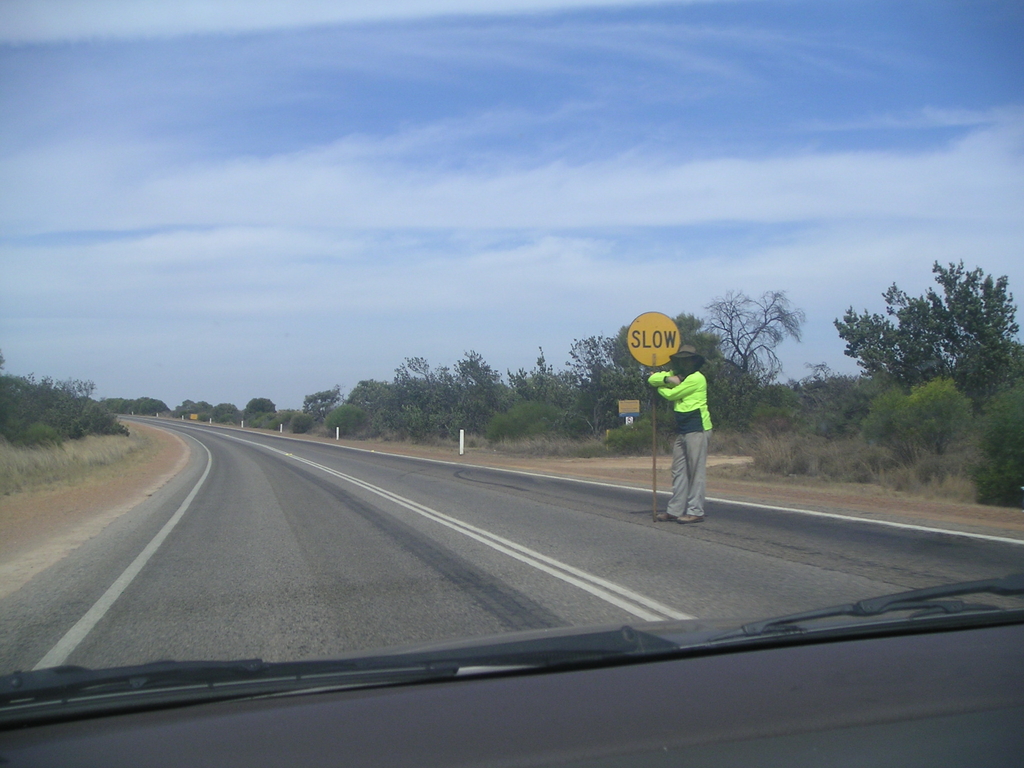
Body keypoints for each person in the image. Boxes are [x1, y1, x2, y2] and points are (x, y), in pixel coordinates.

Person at [648, 345, 712, 524]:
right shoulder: (676, 374)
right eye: (681, 359)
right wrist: (668, 378)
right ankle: (675, 510)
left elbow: (672, 394)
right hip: (683, 429)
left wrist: (662, 386)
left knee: (695, 471)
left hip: (697, 427)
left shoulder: (697, 378)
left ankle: (695, 510)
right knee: (678, 470)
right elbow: (651, 380)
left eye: (687, 359)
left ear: (694, 361)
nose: (684, 363)